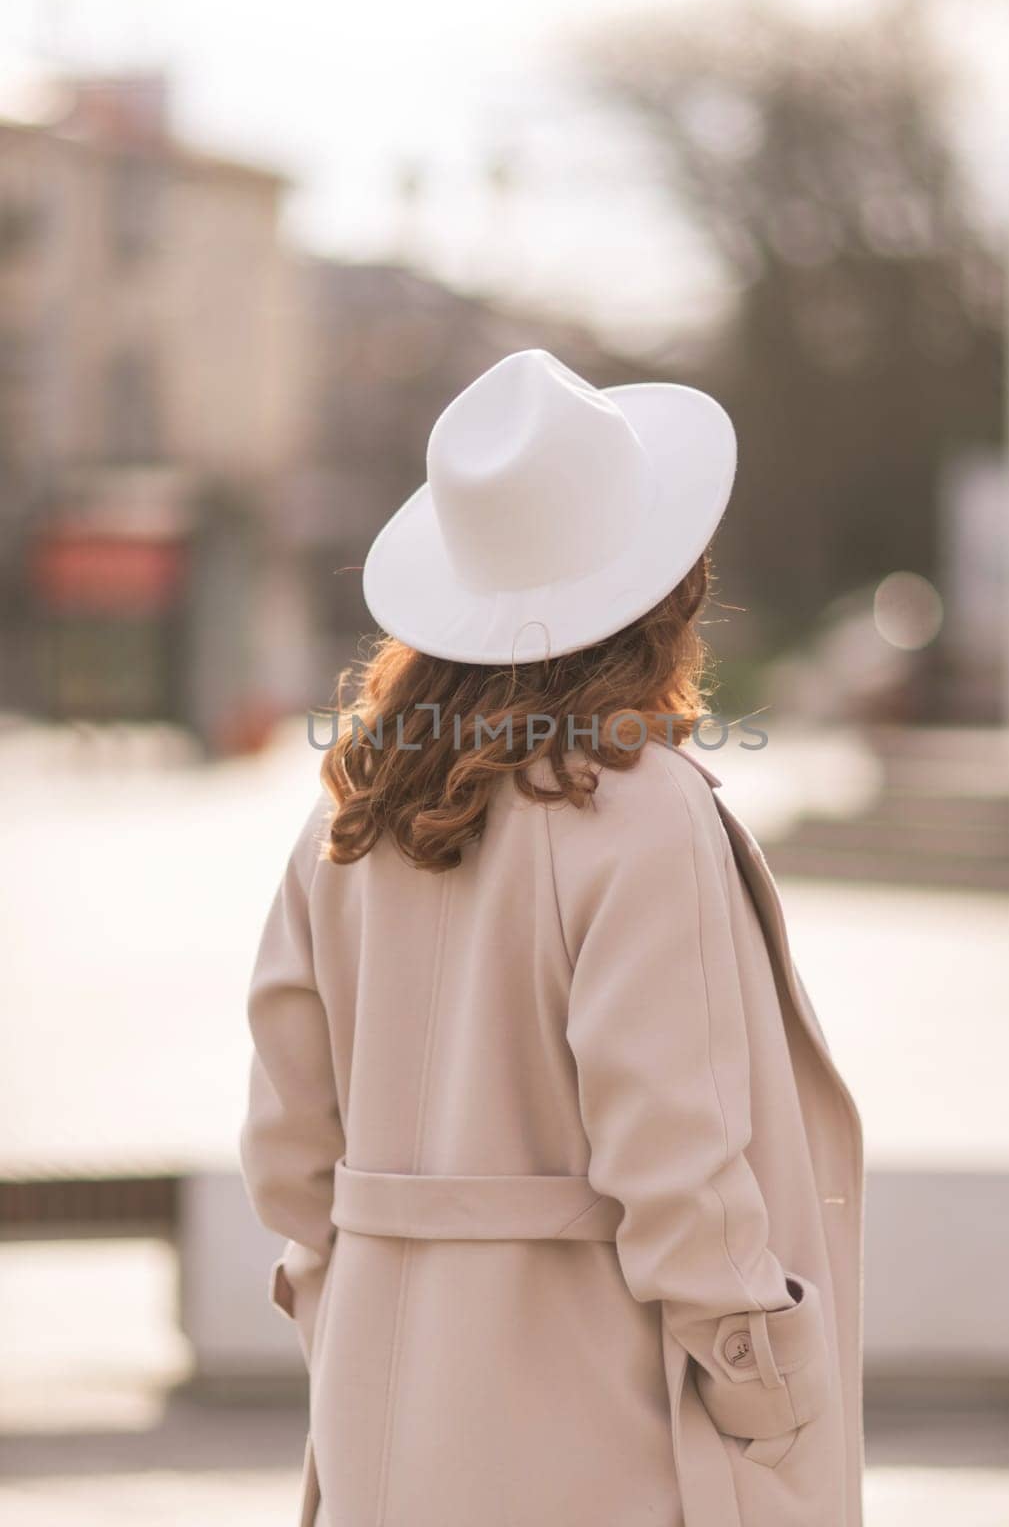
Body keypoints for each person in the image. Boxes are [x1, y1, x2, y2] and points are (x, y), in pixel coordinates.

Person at [239, 349, 865, 1527]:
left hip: (383, 1430)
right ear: (667, 586)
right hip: (602, 1430)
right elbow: (673, 1153)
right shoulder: (636, 806)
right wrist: (772, 1389)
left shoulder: (350, 807)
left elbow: (286, 1150)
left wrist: (359, 1322)